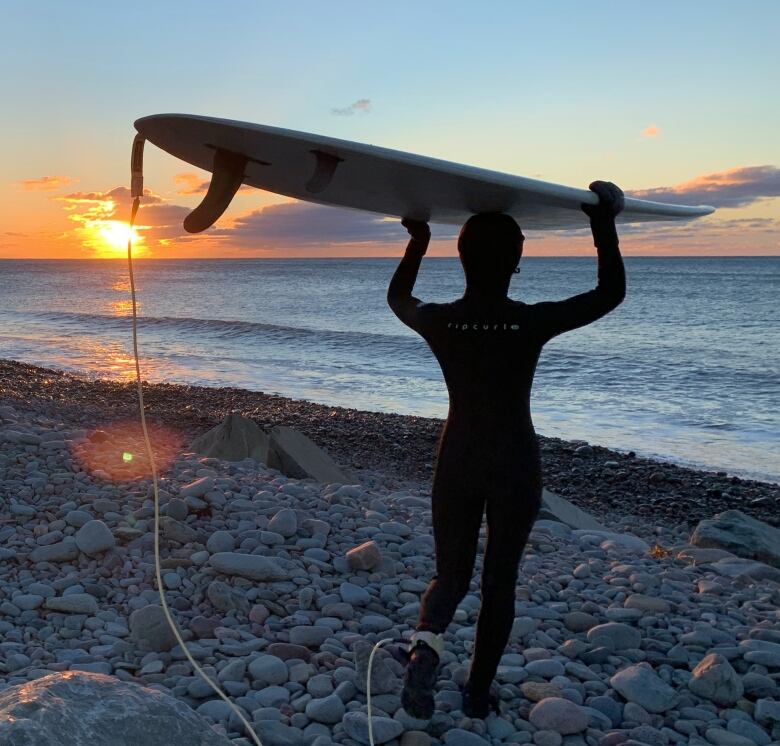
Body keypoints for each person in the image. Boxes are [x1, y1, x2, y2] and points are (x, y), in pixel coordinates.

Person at [386, 181, 627, 720]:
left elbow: (397, 298)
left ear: (461, 257)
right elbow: (609, 294)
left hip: (458, 457)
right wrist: (602, 223)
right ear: (518, 261)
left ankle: (425, 649)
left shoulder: (438, 320)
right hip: (515, 459)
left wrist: (417, 241)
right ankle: (476, 694)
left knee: (450, 575)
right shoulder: (531, 320)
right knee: (499, 581)